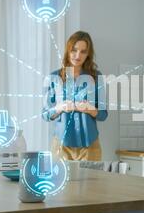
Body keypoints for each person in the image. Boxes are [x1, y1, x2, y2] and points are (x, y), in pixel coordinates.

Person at [42, 31, 108, 161]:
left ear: (88, 54)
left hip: (90, 146)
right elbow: (45, 115)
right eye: (74, 50)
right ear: (68, 50)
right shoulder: (54, 77)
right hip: (61, 146)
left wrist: (90, 109)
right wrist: (59, 107)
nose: (78, 55)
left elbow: (103, 114)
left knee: (92, 182)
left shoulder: (96, 76)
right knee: (61, 181)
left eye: (83, 51)